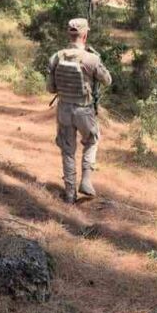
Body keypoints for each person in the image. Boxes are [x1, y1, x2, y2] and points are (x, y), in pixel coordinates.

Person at [47, 17, 113, 204]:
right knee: (92, 140)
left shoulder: (56, 57)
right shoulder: (91, 59)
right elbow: (107, 80)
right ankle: (85, 179)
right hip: (84, 110)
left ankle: (69, 193)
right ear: (85, 35)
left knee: (67, 151)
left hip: (64, 110)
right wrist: (97, 60)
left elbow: (50, 89)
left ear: (70, 34)